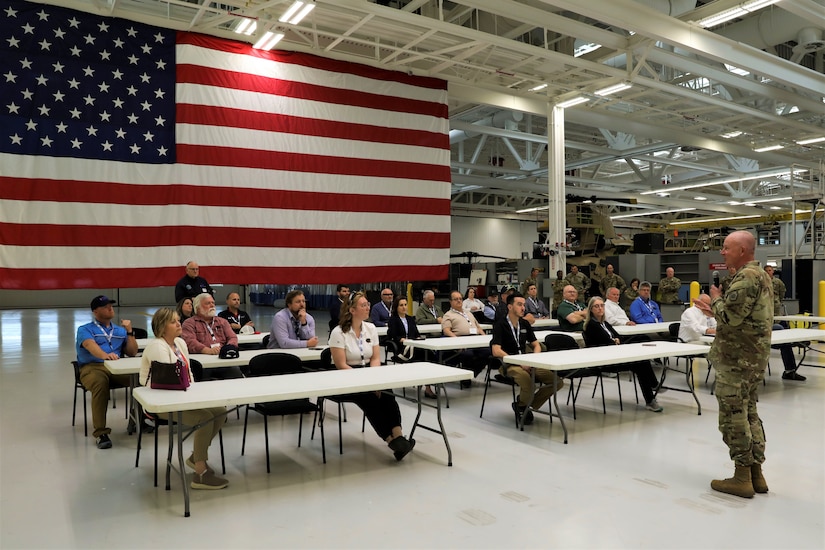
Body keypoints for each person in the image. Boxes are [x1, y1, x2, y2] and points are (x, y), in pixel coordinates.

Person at [693, 230, 772, 499]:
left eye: (726, 248)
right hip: (752, 358)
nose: (722, 253)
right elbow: (740, 315)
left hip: (737, 360)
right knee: (749, 412)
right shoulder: (760, 276)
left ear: (741, 251)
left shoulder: (747, 277)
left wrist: (714, 298)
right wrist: (716, 308)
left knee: (733, 415)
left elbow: (731, 317)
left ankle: (741, 476)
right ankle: (755, 473)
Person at [140, 308, 228, 490]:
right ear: (162, 327)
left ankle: (196, 456)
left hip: (181, 395)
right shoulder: (157, 346)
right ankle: (200, 473)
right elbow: (169, 381)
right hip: (160, 402)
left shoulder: (179, 343)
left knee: (220, 411)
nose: (179, 324)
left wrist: (197, 396)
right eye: (173, 322)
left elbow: (187, 377)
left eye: (178, 320)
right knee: (204, 418)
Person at [329, 292, 415, 461]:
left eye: (368, 304)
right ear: (352, 310)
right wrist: (365, 382)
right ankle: (389, 439)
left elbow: (375, 357)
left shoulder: (371, 328)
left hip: (369, 371)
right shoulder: (338, 333)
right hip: (346, 376)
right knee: (369, 399)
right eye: (363, 305)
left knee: (387, 393)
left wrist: (374, 380)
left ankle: (399, 437)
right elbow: (341, 365)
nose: (368, 307)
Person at [491, 292, 564, 425]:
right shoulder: (500, 324)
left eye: (524, 305)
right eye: (519, 305)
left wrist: (533, 360)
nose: (523, 308)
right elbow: (496, 350)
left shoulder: (524, 324)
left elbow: (536, 345)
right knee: (528, 382)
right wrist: (518, 363)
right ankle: (525, 405)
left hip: (528, 362)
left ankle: (523, 405)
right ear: (510, 307)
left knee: (557, 382)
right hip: (509, 364)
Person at [75, 295, 137, 449]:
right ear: (95, 311)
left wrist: (129, 332)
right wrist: (104, 355)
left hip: (117, 368)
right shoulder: (85, 329)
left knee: (140, 380)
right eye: (105, 306)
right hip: (92, 367)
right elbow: (90, 345)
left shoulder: (119, 330)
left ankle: (138, 420)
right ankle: (101, 432)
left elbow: (132, 352)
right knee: (100, 383)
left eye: (111, 305)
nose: (110, 308)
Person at [582, 297, 663, 412]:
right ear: (591, 310)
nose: (600, 308)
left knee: (642, 353)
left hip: (615, 355)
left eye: (602, 305)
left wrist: (616, 340)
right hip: (604, 361)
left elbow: (618, 337)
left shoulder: (604, 323)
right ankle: (652, 391)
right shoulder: (591, 326)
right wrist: (615, 341)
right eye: (596, 306)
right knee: (641, 363)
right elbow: (607, 343)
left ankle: (651, 395)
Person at [182, 293, 242, 379]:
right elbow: (190, 342)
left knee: (236, 374)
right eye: (208, 303)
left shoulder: (222, 321)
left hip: (223, 359)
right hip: (203, 363)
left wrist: (227, 349)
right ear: (197, 307)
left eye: (213, 303)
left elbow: (232, 337)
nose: (212, 305)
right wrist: (207, 350)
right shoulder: (189, 323)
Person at [387, 295, 435, 398]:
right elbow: (392, 335)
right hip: (402, 349)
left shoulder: (410, 319)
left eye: (405, 305)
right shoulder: (393, 320)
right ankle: (427, 385)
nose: (404, 307)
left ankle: (428, 386)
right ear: (396, 307)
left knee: (428, 355)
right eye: (401, 305)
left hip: (414, 345)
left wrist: (418, 338)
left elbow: (416, 334)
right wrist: (402, 339)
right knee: (425, 356)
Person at [763, 266, 804, 380]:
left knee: (784, 339)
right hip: (760, 324)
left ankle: (790, 371)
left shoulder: (777, 282)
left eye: (771, 271)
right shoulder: (759, 283)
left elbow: (782, 293)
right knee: (781, 333)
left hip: (775, 317)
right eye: (767, 271)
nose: (769, 273)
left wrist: (777, 302)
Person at [442, 290, 492, 381]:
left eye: (460, 299)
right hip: (460, 339)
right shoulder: (448, 315)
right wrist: (457, 341)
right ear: (450, 301)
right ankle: (466, 378)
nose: (459, 301)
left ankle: (472, 373)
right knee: (468, 354)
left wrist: (485, 338)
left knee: (488, 352)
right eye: (456, 299)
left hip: (475, 339)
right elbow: (446, 331)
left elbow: (478, 327)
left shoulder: (468, 313)